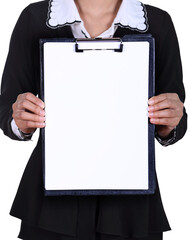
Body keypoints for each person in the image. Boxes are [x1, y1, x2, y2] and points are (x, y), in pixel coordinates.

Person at [0, 0, 187, 239]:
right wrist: (21, 120)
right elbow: (7, 107)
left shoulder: (158, 23)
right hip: (51, 203)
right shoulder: (35, 18)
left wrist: (169, 121)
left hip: (130, 204)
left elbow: (176, 114)